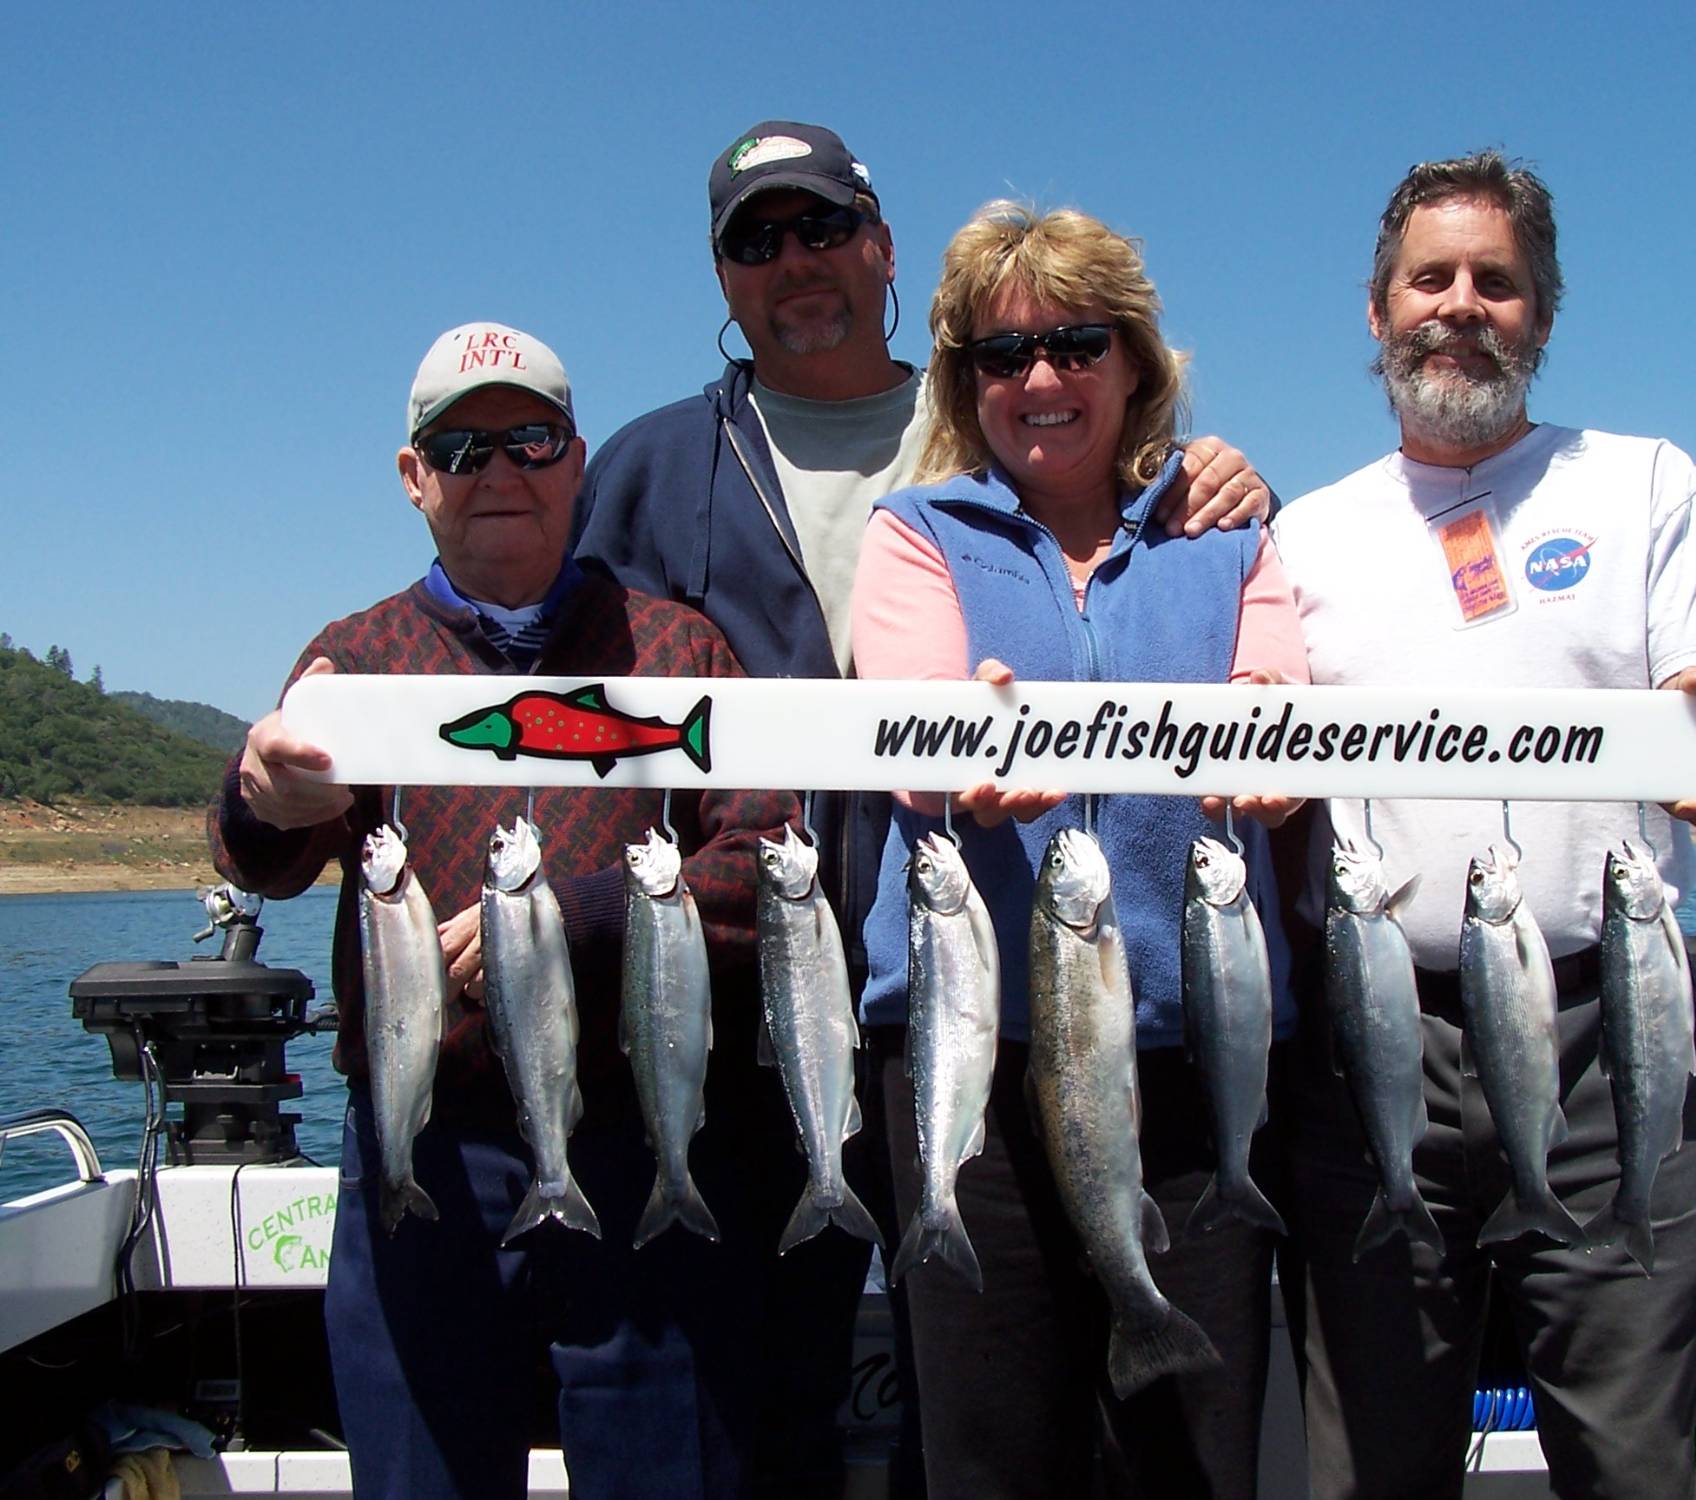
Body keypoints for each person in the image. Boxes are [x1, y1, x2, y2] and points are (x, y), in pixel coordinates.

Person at [570, 121, 1275, 1497]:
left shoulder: (1001, 432)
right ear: (719, 273)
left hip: (974, 980)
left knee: (1003, 1391)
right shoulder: (653, 466)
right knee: (774, 1406)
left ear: (882, 246)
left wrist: (1211, 471)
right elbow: (582, 705)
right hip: (730, 993)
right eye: (754, 239)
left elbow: (1162, 572)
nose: (796, 261)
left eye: (822, 226)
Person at [1269, 153, 1696, 1499]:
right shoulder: (1298, 535)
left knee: (1627, 1463)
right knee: (1372, 1466)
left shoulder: (1647, 485)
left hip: (1610, 1036)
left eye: (1495, 283)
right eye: (1429, 279)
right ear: (1376, 312)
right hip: (1370, 1041)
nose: (1460, 305)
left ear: (1543, 316)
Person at [208, 322, 796, 1500]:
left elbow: (767, 865)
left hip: (649, 1147)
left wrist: (580, 917)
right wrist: (260, 795)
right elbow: (263, 852)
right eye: (461, 447)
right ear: (413, 476)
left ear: (577, 462)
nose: (499, 471)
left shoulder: (679, 650)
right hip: (421, 1155)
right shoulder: (353, 657)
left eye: (530, 439)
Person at [848, 200, 1310, 1498]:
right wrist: (964, 742)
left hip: (1197, 1063)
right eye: (1003, 355)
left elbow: (1275, 690)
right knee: (995, 1457)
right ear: (965, 381)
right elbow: (915, 711)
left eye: (1075, 342)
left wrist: (1268, 746)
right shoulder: (914, 537)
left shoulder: (1233, 535)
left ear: (1134, 362)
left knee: (1197, 1460)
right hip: (966, 1070)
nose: (1041, 378)